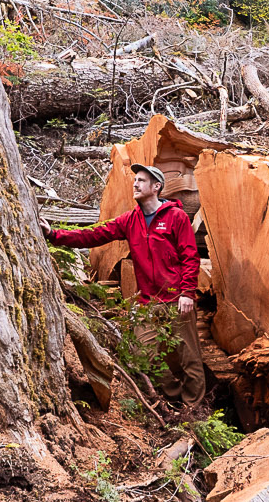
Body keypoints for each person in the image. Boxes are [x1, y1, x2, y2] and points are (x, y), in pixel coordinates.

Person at [44, 164, 206, 408]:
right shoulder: (131, 220)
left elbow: (190, 256)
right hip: (147, 301)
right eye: (135, 180)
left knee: (189, 358)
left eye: (142, 180)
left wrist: (186, 293)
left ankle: (194, 410)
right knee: (143, 355)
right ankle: (174, 400)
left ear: (156, 187)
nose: (136, 184)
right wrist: (55, 234)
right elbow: (94, 234)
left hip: (176, 299)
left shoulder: (176, 217)